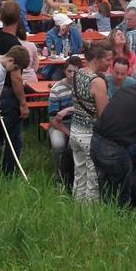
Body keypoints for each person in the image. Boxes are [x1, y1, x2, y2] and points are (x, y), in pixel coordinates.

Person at [91, 65, 136, 204]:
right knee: (121, 197)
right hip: (114, 150)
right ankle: (117, 216)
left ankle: (103, 213)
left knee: (105, 190)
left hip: (96, 142)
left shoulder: (126, 91)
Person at [70, 42, 113, 201]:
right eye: (107, 59)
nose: (110, 63)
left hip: (75, 131)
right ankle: (90, 212)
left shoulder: (77, 74)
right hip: (89, 135)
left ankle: (77, 206)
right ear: (96, 59)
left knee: (79, 174)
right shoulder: (97, 82)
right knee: (93, 180)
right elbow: (104, 115)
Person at [47, 55, 82, 187]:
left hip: (79, 123)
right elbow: (53, 119)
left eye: (75, 71)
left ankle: (75, 178)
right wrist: (69, 133)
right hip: (60, 125)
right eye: (69, 71)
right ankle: (59, 178)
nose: (72, 75)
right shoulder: (56, 88)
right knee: (58, 145)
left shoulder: (83, 86)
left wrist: (69, 109)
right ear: (64, 71)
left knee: (73, 146)